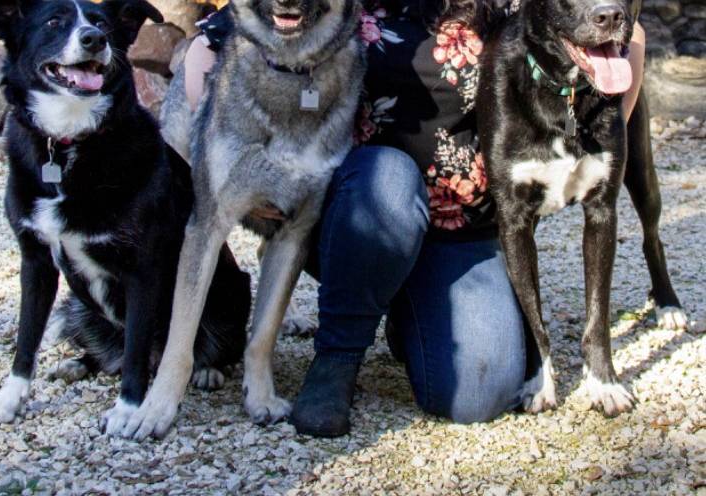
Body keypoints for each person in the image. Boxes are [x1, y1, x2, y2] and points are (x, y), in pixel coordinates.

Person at [181, 0, 647, 437]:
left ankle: (408, 315)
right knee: (387, 178)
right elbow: (207, 47)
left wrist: (604, 144)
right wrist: (240, 160)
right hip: (362, 216)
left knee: (479, 395)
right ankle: (337, 355)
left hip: (462, 230)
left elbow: (631, 33)